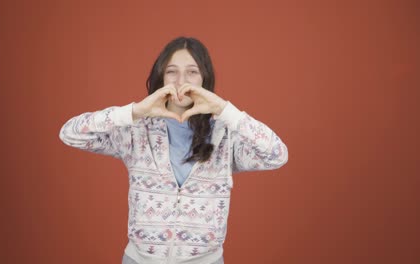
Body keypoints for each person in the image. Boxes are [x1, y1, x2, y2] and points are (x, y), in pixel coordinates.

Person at [59, 36, 288, 264]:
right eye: (172, 71)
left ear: (204, 79)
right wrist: (135, 111)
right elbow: (70, 133)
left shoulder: (225, 136)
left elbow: (277, 154)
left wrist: (224, 109)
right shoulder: (137, 130)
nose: (181, 81)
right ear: (161, 77)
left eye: (192, 72)